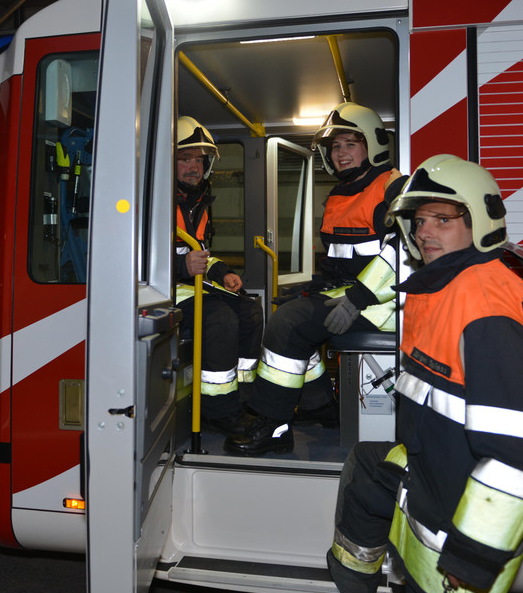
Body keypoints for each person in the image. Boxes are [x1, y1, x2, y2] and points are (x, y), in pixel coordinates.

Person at [326, 154, 523, 593]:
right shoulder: (449, 284)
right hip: (436, 481)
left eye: (442, 220)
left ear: (480, 223)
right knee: (368, 464)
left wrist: (472, 556)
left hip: (457, 558)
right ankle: (353, 578)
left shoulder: (480, 301)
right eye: (418, 221)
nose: (424, 232)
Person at [224, 103, 406, 456]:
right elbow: (344, 262)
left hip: (383, 305)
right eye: (335, 146)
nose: (341, 153)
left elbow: (401, 252)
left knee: (288, 323)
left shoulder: (392, 188)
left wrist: (357, 299)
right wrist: (311, 288)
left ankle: (273, 426)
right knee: (294, 311)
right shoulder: (342, 194)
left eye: (351, 144)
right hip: (354, 295)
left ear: (373, 145)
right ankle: (319, 405)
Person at [174, 116, 264, 436]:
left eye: (199, 160)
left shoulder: (197, 203)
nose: (194, 167)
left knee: (250, 310)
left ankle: (243, 400)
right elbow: (132, 258)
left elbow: (201, 254)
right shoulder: (152, 202)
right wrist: (181, 268)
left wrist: (224, 273)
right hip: (161, 290)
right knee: (220, 318)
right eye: (185, 159)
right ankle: (217, 410)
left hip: (192, 286)